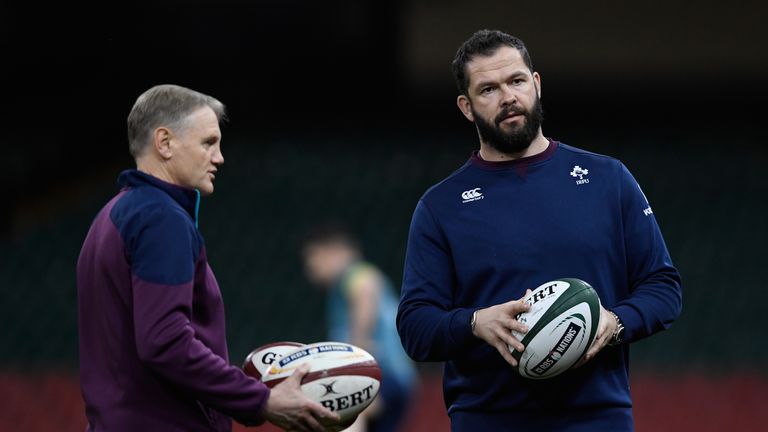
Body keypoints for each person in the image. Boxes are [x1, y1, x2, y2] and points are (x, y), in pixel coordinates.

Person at [396, 30, 683, 431]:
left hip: (597, 416)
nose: (507, 97)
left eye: (516, 81)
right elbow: (414, 326)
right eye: (488, 89)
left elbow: (662, 287)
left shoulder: (607, 180)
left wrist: (613, 323)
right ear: (466, 107)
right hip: (489, 419)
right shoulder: (441, 207)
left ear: (536, 83)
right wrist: (476, 323)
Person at [76, 84, 339, 432]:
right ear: (165, 142)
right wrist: (260, 399)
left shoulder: (111, 217)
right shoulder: (161, 218)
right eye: (208, 143)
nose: (219, 157)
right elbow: (164, 342)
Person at [301, 222, 417, 432]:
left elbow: (365, 291)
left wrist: (356, 358)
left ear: (333, 251)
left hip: (380, 375)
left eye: (313, 258)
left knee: (348, 415)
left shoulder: (356, 274)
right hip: (392, 376)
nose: (311, 269)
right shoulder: (340, 287)